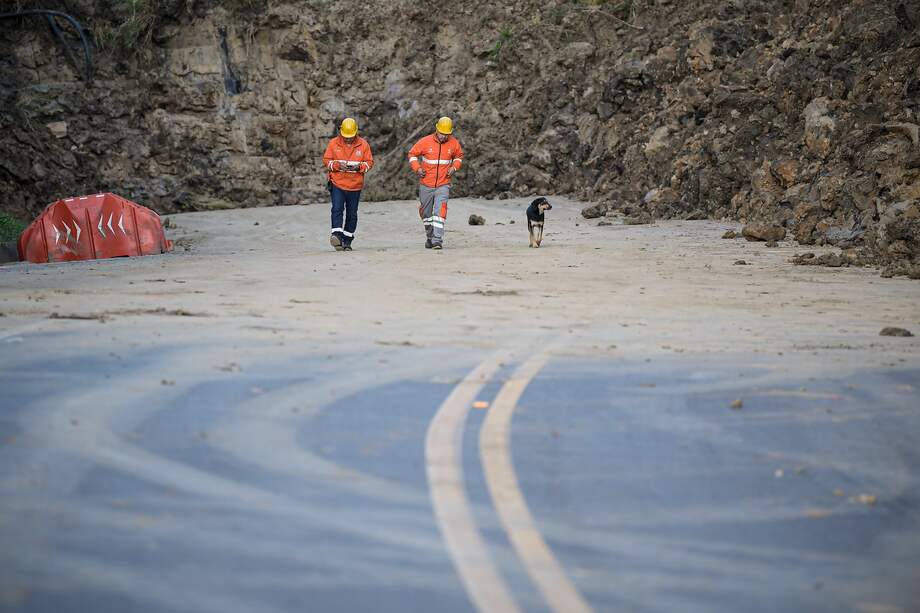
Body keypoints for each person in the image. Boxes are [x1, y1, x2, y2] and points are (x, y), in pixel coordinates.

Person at [408, 116, 464, 249]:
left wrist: (454, 167)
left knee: (440, 211)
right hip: (426, 184)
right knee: (426, 214)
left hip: (443, 184)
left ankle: (437, 239)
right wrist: (417, 168)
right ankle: (430, 237)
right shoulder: (425, 142)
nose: (444, 137)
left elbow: (459, 157)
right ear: (436, 129)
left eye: (447, 134)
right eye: (442, 133)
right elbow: (412, 154)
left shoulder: (454, 143)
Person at [322, 117, 373, 251]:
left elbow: (369, 162)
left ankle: (347, 240)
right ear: (340, 132)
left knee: (352, 214)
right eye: (346, 136)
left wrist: (359, 168)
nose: (348, 139)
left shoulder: (363, 145)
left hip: (355, 185)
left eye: (350, 137)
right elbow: (327, 161)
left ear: (356, 132)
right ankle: (336, 235)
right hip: (337, 183)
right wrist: (338, 165)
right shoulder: (333, 144)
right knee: (337, 209)